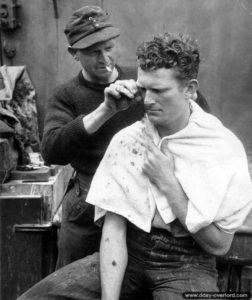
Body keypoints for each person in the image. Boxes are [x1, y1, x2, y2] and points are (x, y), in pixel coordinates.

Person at [17, 32, 252, 300]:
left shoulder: (220, 148)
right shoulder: (128, 140)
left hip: (188, 263)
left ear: (190, 89)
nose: (148, 100)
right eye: (144, 89)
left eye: (160, 90)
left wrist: (168, 183)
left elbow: (219, 246)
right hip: (130, 250)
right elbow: (114, 230)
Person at [40, 5, 145, 269]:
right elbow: (52, 151)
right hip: (87, 202)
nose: (104, 58)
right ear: (73, 53)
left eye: (108, 48)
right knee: (69, 277)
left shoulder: (140, 78)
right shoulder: (66, 95)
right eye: (92, 52)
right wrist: (106, 109)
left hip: (140, 197)